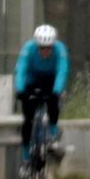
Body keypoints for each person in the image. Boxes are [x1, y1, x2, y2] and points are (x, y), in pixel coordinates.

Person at [13, 24, 69, 168]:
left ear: (53, 45)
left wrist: (56, 91)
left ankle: (52, 131)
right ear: (36, 45)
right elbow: (21, 70)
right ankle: (26, 154)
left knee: (53, 103)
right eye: (41, 48)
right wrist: (20, 90)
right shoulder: (28, 49)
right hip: (31, 80)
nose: (45, 51)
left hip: (50, 80)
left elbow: (62, 72)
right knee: (28, 119)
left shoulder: (60, 50)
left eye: (48, 48)